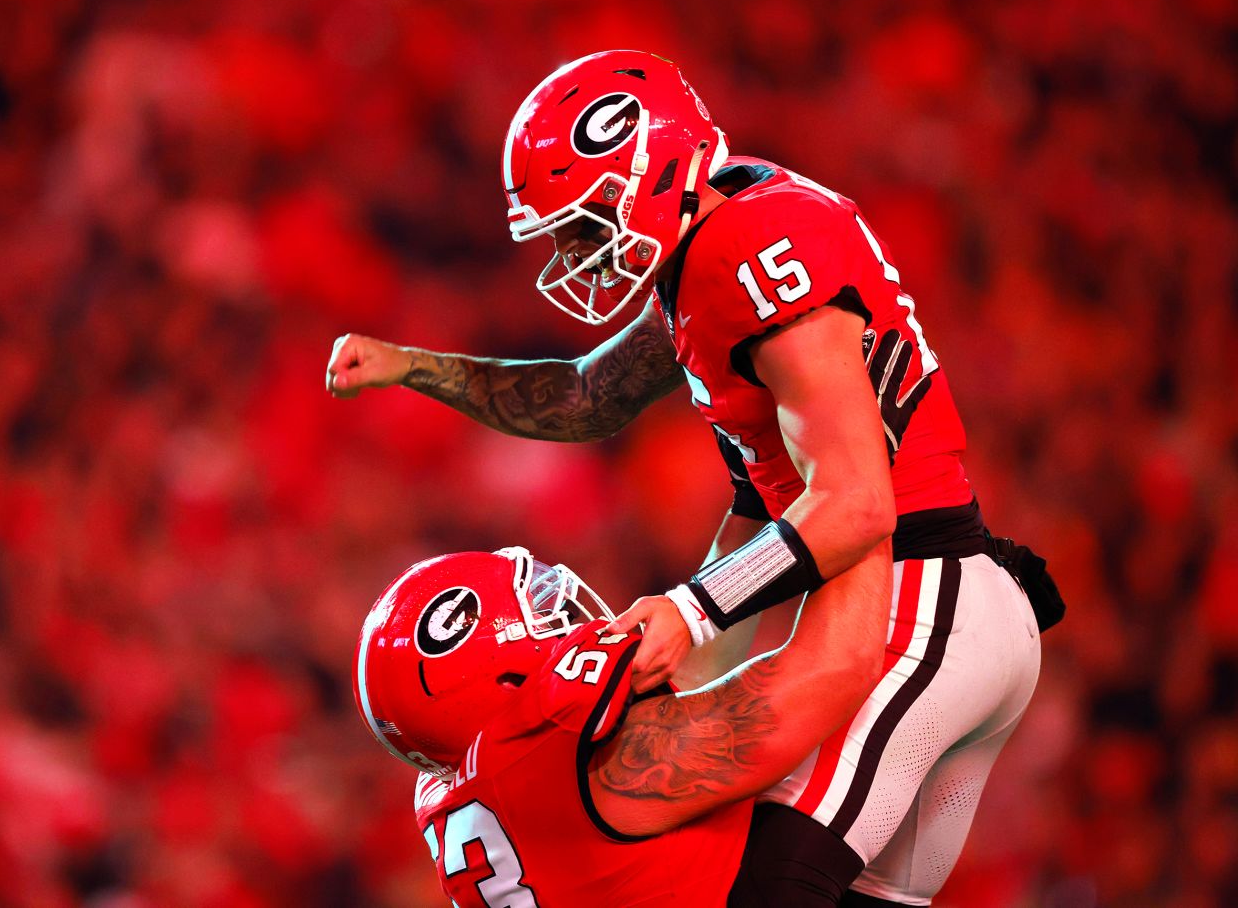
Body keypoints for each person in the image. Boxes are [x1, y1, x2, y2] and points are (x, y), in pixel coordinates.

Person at [328, 50, 1058, 905]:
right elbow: (584, 397)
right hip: (939, 599)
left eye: (581, 221)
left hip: (920, 597)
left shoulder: (745, 246)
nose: (573, 251)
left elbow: (857, 504)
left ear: (647, 166)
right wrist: (416, 366)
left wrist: (693, 607)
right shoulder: (718, 240)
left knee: (770, 889)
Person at [354, 545, 890, 907]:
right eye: (540, 613)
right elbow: (839, 665)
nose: (564, 620)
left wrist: (757, 494)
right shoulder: (571, 761)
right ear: (500, 678)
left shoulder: (460, 779)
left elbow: (698, 677)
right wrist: (862, 488)